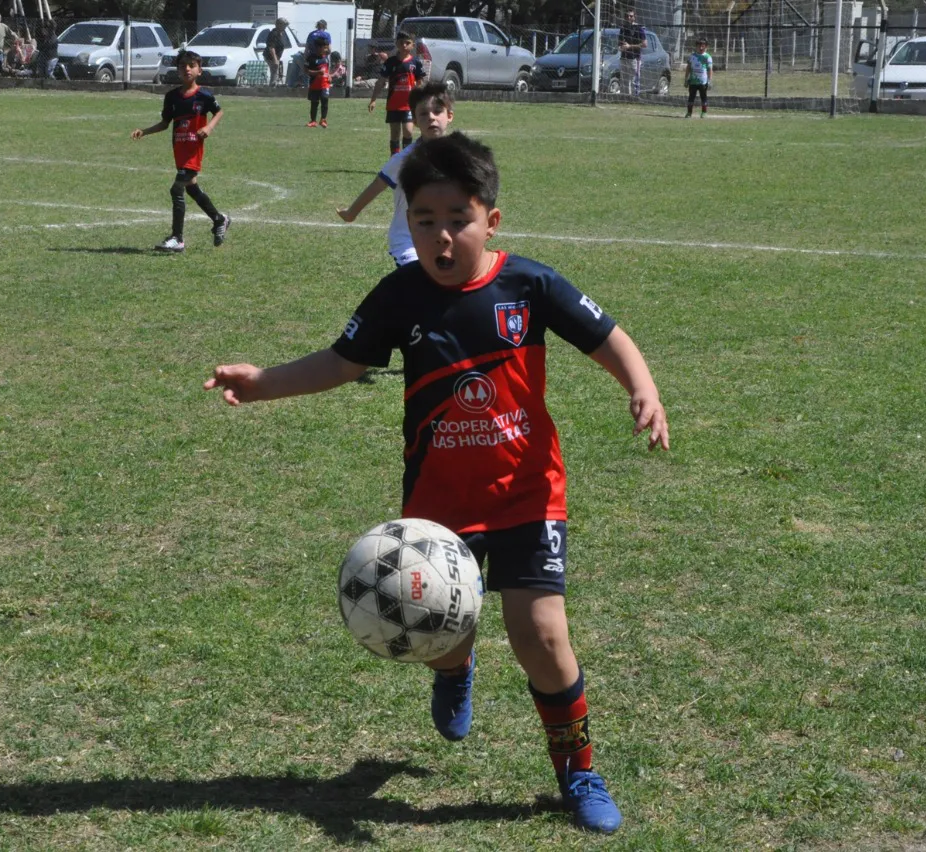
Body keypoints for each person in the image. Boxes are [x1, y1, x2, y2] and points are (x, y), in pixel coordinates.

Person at [207, 131, 669, 835]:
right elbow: (342, 362)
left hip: (527, 491)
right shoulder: (400, 296)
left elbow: (607, 336)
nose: (441, 236)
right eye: (424, 220)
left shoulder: (529, 285)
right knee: (445, 636)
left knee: (542, 636)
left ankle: (578, 773)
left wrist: (642, 387)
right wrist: (262, 382)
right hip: (438, 508)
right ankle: (454, 670)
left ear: (492, 221)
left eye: (459, 219)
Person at [337, 81, 454, 265]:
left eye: (437, 111)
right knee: (420, 276)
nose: (431, 117)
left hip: (442, 240)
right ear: (415, 121)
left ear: (449, 116)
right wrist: (352, 213)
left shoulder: (460, 156)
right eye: (423, 114)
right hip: (408, 241)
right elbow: (378, 184)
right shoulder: (406, 159)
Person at [130, 50, 230, 254]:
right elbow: (165, 123)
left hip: (193, 151)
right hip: (180, 150)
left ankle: (177, 239)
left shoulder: (204, 96)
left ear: (199, 70)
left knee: (176, 189)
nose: (187, 69)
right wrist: (145, 131)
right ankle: (219, 219)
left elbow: (219, 112)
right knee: (191, 188)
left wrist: (208, 127)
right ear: (177, 71)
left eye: (192, 65)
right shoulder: (172, 97)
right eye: (183, 66)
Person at [369, 31, 424, 155]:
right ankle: (394, 159)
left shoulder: (416, 63)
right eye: (401, 42)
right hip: (393, 104)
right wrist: (373, 99)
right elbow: (381, 81)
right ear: (396, 44)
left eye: (407, 43)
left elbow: (420, 83)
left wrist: (420, 100)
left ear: (413, 45)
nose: (404, 45)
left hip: (409, 105)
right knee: (395, 134)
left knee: (408, 132)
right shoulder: (390, 62)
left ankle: (406, 159)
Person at [618, 9, 646, 96]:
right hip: (624, 58)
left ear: (634, 17)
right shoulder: (623, 29)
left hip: (635, 59)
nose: (628, 18)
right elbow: (619, 43)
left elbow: (644, 44)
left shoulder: (639, 28)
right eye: (627, 16)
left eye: (631, 16)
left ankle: (635, 98)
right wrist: (621, 47)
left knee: (634, 80)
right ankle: (625, 98)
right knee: (624, 81)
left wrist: (630, 46)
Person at [685, 37, 714, 117]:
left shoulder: (707, 57)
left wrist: (709, 81)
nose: (701, 48)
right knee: (691, 97)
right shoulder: (692, 56)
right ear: (696, 46)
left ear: (706, 47)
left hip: (703, 82)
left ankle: (704, 112)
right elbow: (688, 68)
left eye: (703, 46)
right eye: (699, 46)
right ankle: (689, 113)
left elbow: (710, 69)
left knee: (703, 97)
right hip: (693, 81)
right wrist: (686, 79)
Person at [305, 42, 332, 127]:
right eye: (325, 48)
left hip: (325, 83)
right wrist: (317, 72)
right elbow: (306, 71)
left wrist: (329, 75)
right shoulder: (311, 58)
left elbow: (327, 69)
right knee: (314, 102)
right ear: (318, 48)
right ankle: (313, 121)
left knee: (325, 99)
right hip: (314, 84)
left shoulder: (326, 58)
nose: (326, 50)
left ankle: (323, 120)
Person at [264, 18, 289, 86]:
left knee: (275, 72)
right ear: (279, 25)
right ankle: (272, 88)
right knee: (274, 72)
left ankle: (273, 86)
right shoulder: (273, 34)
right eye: (284, 25)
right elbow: (271, 47)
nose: (285, 27)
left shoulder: (280, 33)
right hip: (270, 57)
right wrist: (275, 59)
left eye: (285, 25)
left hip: (276, 56)